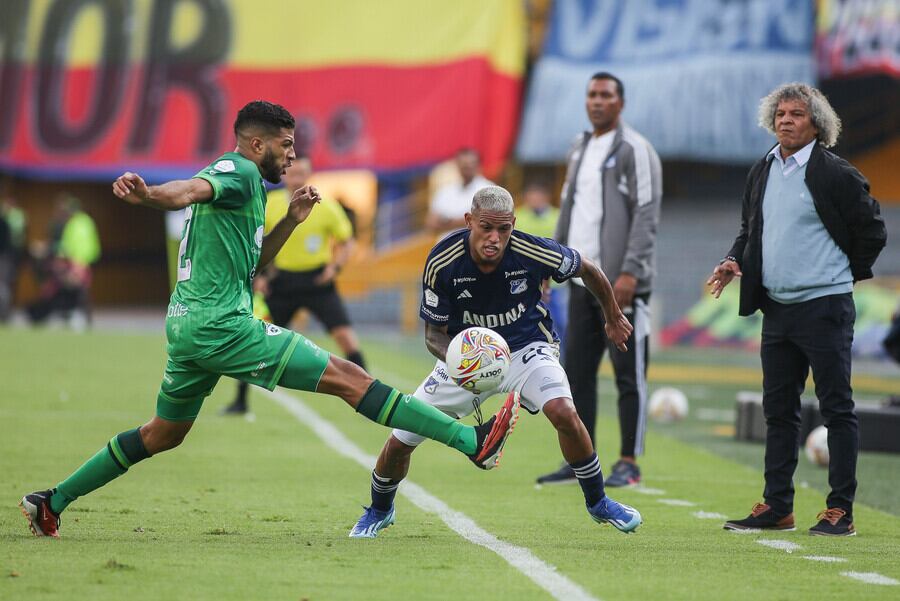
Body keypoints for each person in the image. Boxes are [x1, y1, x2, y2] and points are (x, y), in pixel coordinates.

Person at [18, 101, 518, 538]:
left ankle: (51, 501)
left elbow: (255, 263)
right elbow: (190, 189)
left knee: (163, 433)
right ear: (257, 144)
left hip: (188, 325)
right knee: (350, 378)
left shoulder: (251, 190)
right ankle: (469, 440)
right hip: (222, 325)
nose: (293, 155)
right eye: (286, 145)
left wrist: (290, 222)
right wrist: (148, 195)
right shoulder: (237, 172)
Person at [348, 185, 642, 538]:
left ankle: (598, 503)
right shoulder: (442, 260)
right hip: (465, 359)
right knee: (401, 440)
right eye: (486, 227)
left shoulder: (531, 249)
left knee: (564, 412)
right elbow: (432, 335)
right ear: (469, 220)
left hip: (526, 350)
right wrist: (464, 363)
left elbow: (588, 269)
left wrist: (611, 316)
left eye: (504, 229)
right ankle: (380, 509)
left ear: (513, 225)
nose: (495, 238)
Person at [709, 83, 886, 537]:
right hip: (778, 309)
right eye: (780, 113)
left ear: (817, 124)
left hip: (825, 306)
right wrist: (735, 259)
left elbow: (873, 231)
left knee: (837, 408)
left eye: (797, 114)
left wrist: (840, 271)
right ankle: (777, 506)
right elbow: (750, 228)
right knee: (779, 411)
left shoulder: (837, 174)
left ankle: (839, 509)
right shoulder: (763, 169)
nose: (786, 120)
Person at [536, 72, 662, 488]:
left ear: (620, 103)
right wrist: (548, 262)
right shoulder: (579, 148)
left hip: (623, 284)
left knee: (629, 373)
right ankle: (580, 460)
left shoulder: (636, 149)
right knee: (577, 372)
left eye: (605, 95)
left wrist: (628, 271)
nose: (597, 101)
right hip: (580, 280)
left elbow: (646, 214)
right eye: (591, 94)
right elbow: (568, 209)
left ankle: (630, 462)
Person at [222, 156, 367, 416]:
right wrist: (260, 276)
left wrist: (334, 268)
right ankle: (240, 402)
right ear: (286, 174)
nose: (298, 178)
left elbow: (347, 241)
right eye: (294, 172)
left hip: (317, 282)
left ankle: (367, 396)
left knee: (345, 337)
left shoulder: (327, 206)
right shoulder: (271, 203)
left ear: (309, 174)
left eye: (303, 173)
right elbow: (255, 243)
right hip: (282, 283)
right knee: (253, 340)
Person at [26, 195, 101, 328]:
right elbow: (68, 244)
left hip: (78, 263)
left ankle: (82, 319)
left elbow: (81, 246)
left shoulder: (79, 223)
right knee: (71, 289)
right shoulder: (77, 222)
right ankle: (71, 316)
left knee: (79, 291)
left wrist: (78, 264)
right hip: (75, 262)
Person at [514, 181, 568, 347]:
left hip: (555, 283)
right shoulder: (517, 217)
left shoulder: (558, 217)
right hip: (525, 282)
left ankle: (561, 361)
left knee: (560, 323)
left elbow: (564, 248)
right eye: (532, 196)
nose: (535, 199)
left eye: (538, 196)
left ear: (546, 197)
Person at [425, 148, 493, 239]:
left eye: (470, 164)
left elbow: (484, 220)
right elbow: (431, 223)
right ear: (457, 165)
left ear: (478, 165)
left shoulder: (489, 190)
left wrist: (446, 222)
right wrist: (463, 221)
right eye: (464, 165)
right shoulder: (445, 191)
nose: (467, 168)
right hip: (446, 248)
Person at [0, 196, 27, 321]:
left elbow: (12, 242)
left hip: (5, 258)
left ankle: (4, 314)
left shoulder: (8, 222)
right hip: (6, 257)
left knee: (4, 286)